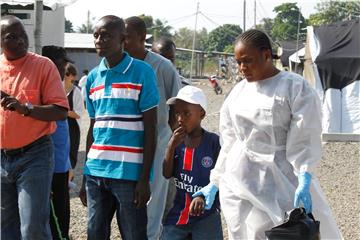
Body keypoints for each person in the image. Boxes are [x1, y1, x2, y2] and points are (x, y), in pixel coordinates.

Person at [194, 29, 343, 239]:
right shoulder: (238, 92)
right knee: (249, 232)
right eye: (238, 62)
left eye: (248, 61)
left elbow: (306, 134)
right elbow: (230, 142)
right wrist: (215, 181)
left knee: (293, 231)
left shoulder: (294, 87)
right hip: (243, 182)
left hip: (284, 179)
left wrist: (305, 174)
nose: (242, 68)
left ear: (266, 55)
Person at [79, 15, 159, 240]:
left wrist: (144, 179)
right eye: (95, 35)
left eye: (105, 35)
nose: (99, 40)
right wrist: (85, 174)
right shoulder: (93, 78)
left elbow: (150, 129)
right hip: (96, 171)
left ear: (122, 38)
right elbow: (94, 127)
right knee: (95, 233)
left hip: (129, 174)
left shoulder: (142, 72)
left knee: (133, 235)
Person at [0, 16, 69, 239]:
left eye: (23, 35)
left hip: (34, 155)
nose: (20, 40)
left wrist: (26, 109)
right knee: (5, 226)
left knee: (32, 226)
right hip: (2, 158)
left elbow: (60, 111)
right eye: (12, 36)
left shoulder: (43, 65)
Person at [125, 16, 182, 240]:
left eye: (127, 37)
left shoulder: (163, 67)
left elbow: (176, 110)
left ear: (142, 38)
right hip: (128, 148)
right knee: (130, 204)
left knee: (153, 205)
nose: (123, 42)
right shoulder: (121, 65)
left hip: (158, 146)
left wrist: (165, 144)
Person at [162, 85, 223, 240]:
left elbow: (223, 175)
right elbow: (166, 173)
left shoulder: (213, 142)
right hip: (179, 212)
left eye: (186, 113)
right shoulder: (177, 141)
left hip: (206, 214)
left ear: (201, 114)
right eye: (177, 113)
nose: (180, 119)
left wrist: (203, 196)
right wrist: (171, 146)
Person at [42, 45, 73, 240]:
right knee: (53, 219)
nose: (64, 70)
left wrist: (69, 164)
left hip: (62, 166)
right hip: (49, 168)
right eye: (61, 65)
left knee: (62, 215)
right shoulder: (43, 92)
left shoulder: (59, 90)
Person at [64, 62, 85, 169]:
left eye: (68, 73)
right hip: (57, 127)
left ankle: (69, 179)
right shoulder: (56, 88)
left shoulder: (76, 92)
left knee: (71, 154)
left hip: (72, 128)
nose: (65, 76)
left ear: (73, 76)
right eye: (64, 73)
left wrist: (62, 112)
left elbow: (78, 114)